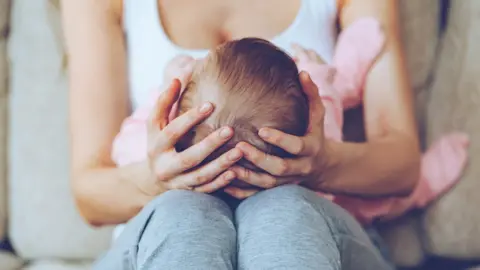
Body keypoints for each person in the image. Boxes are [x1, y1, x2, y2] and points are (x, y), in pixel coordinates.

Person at [62, 0, 420, 269]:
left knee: (283, 210)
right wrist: (157, 179)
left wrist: (322, 165)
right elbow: (89, 195)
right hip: (165, 236)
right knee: (184, 214)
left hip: (313, 230)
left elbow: (404, 167)